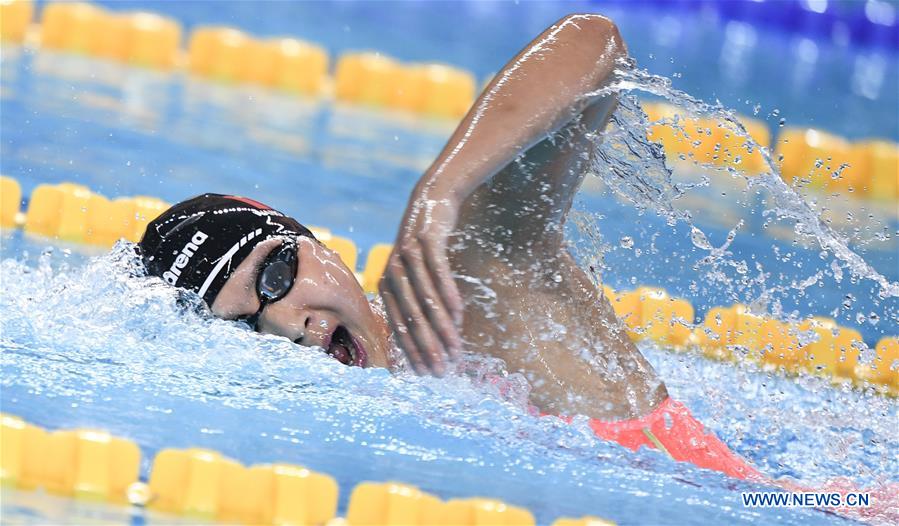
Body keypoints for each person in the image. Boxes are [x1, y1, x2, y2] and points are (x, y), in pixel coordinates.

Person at [139, 14, 758, 480]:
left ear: (314, 243)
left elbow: (592, 40)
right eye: (243, 328)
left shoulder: (469, 289)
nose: (284, 325)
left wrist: (443, 189)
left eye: (273, 277)